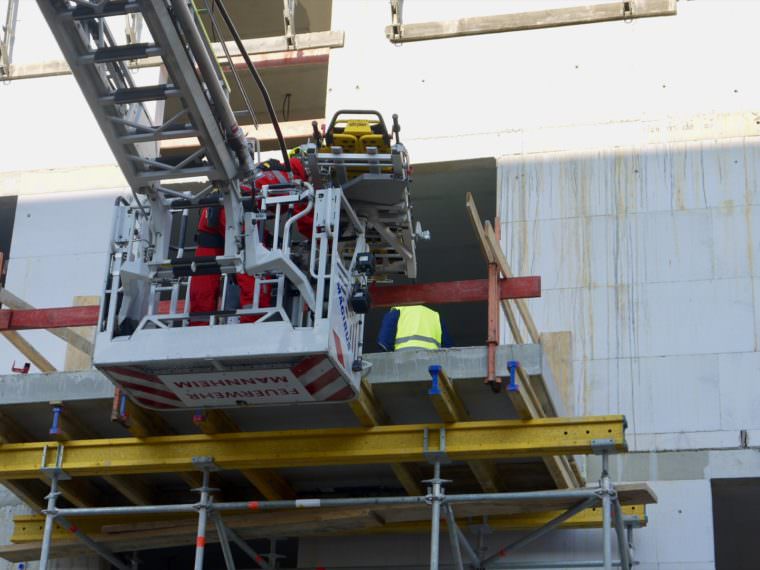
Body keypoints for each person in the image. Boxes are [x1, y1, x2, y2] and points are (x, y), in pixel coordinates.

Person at [189, 156, 309, 323]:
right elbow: (305, 223)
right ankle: (253, 320)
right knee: (253, 265)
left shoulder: (267, 170)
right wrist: (329, 243)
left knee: (204, 271)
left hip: (212, 210)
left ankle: (197, 324)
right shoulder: (295, 181)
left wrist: (269, 241)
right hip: (238, 210)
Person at [377, 305, 453, 351]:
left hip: (402, 360)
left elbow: (384, 341)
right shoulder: (435, 315)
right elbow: (449, 349)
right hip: (432, 363)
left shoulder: (398, 310)